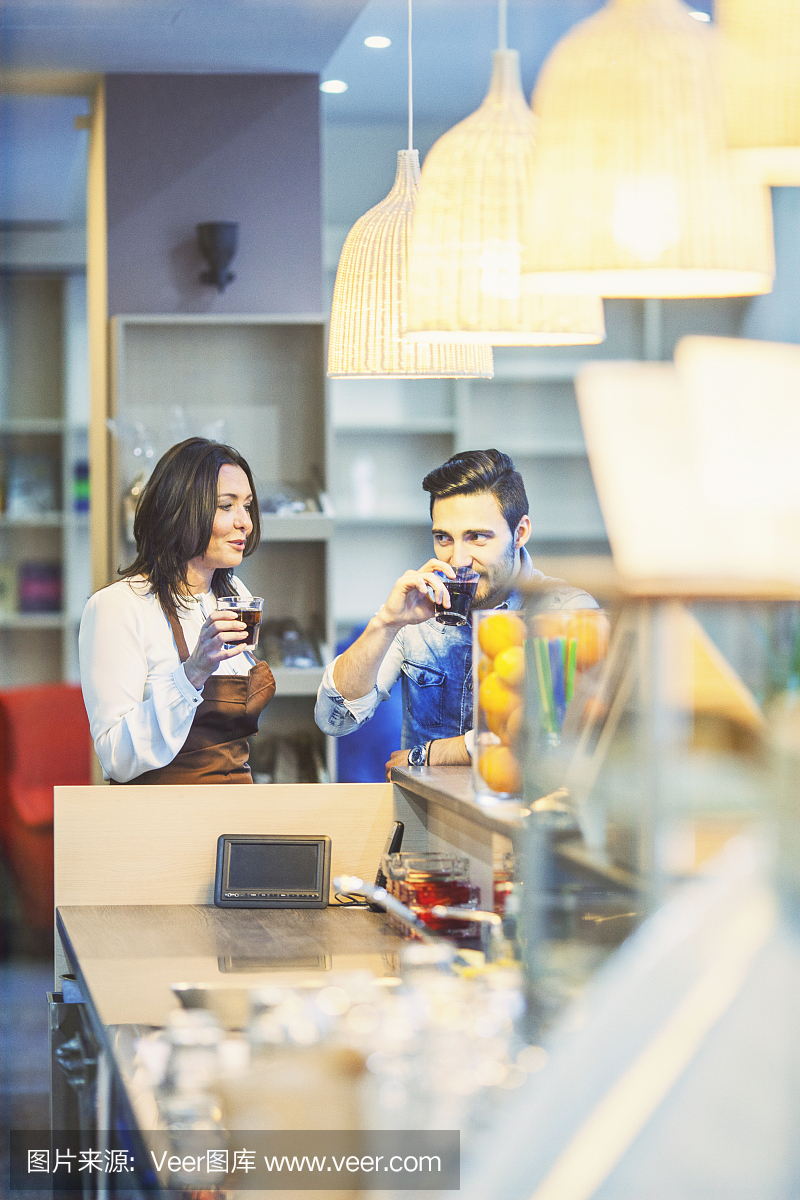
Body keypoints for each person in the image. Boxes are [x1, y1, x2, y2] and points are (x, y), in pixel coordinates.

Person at [315, 449, 596, 775]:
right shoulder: (415, 612)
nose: (458, 559)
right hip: (427, 822)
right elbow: (333, 720)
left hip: (522, 820)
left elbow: (564, 731)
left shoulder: (567, 612)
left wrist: (443, 751)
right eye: (443, 538)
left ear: (520, 533)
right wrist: (387, 623)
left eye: (476, 537)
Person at [79, 437, 275, 784]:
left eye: (247, 505)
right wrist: (193, 672)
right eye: (226, 506)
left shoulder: (234, 595)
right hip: (162, 822)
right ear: (181, 510)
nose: (245, 521)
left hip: (237, 812)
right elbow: (115, 758)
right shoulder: (117, 607)